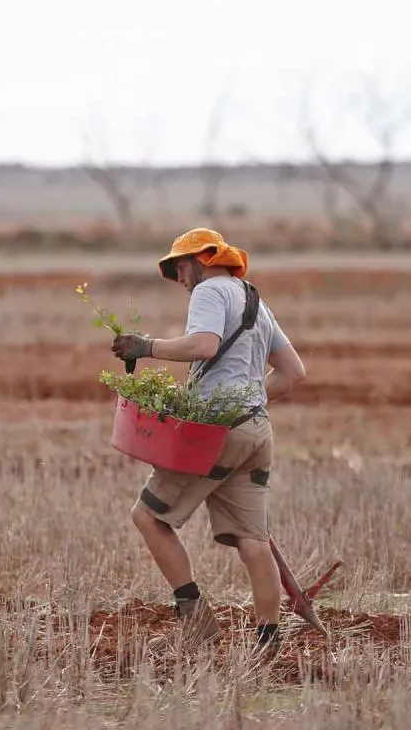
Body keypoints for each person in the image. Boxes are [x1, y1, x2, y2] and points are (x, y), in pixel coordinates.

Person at [111, 227, 307, 655]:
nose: (180, 279)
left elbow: (203, 345)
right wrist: (249, 401)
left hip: (215, 432)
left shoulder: (210, 292)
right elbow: (293, 373)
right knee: (252, 539)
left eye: (180, 267)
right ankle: (268, 644)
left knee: (148, 517)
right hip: (256, 429)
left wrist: (146, 346)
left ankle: (196, 621)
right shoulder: (254, 299)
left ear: (204, 259)